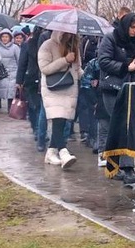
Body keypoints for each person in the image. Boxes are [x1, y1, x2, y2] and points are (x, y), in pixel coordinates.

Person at [97, 13, 135, 184]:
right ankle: (128, 168)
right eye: (132, 27)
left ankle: (114, 166)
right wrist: (125, 67)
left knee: (119, 128)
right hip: (113, 89)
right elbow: (103, 61)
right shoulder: (111, 39)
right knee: (123, 126)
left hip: (131, 89)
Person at [38, 30, 81, 170]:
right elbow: (44, 68)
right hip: (53, 88)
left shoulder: (74, 46)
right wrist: (65, 60)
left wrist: (84, 74)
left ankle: (51, 152)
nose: (68, 35)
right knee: (57, 119)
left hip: (69, 88)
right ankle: (63, 151)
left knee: (62, 121)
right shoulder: (47, 45)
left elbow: (77, 68)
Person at [16, 26, 47, 151]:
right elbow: (22, 63)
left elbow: (22, 63)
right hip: (32, 78)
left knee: (38, 106)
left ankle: (39, 130)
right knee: (36, 106)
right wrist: (19, 80)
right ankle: (37, 129)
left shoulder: (46, 43)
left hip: (39, 78)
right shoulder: (28, 44)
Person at [0, 29, 20, 112]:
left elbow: (19, 60)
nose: (5, 38)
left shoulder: (15, 47)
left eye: (6, 37)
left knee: (11, 90)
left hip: (12, 72)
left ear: (10, 38)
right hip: (0, 71)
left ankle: (10, 107)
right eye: (3, 37)